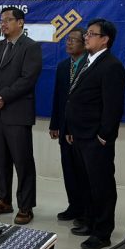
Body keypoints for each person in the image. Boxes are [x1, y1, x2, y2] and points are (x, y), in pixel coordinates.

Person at [64, 19, 125, 249]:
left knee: (101, 186)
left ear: (105, 39)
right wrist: (71, 128)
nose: (86, 37)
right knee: (87, 183)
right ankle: (90, 221)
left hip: (96, 138)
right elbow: (76, 97)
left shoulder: (111, 66)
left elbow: (113, 106)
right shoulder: (89, 61)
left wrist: (104, 135)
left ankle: (102, 232)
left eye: (91, 34)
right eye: (87, 33)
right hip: (80, 135)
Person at [0, 6, 43, 224]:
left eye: (7, 20)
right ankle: (3, 200)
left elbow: (27, 79)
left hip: (17, 113)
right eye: (1, 21)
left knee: (22, 162)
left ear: (20, 22)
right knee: (0, 162)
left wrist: (2, 96)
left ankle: (26, 206)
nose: (3, 24)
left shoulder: (31, 47)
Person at [49, 27, 87, 225]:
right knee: (69, 169)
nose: (69, 42)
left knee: (82, 171)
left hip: (82, 128)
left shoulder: (90, 65)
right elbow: (58, 96)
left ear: (85, 43)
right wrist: (55, 123)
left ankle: (86, 210)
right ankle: (74, 206)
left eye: (74, 39)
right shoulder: (64, 66)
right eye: (67, 39)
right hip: (64, 128)